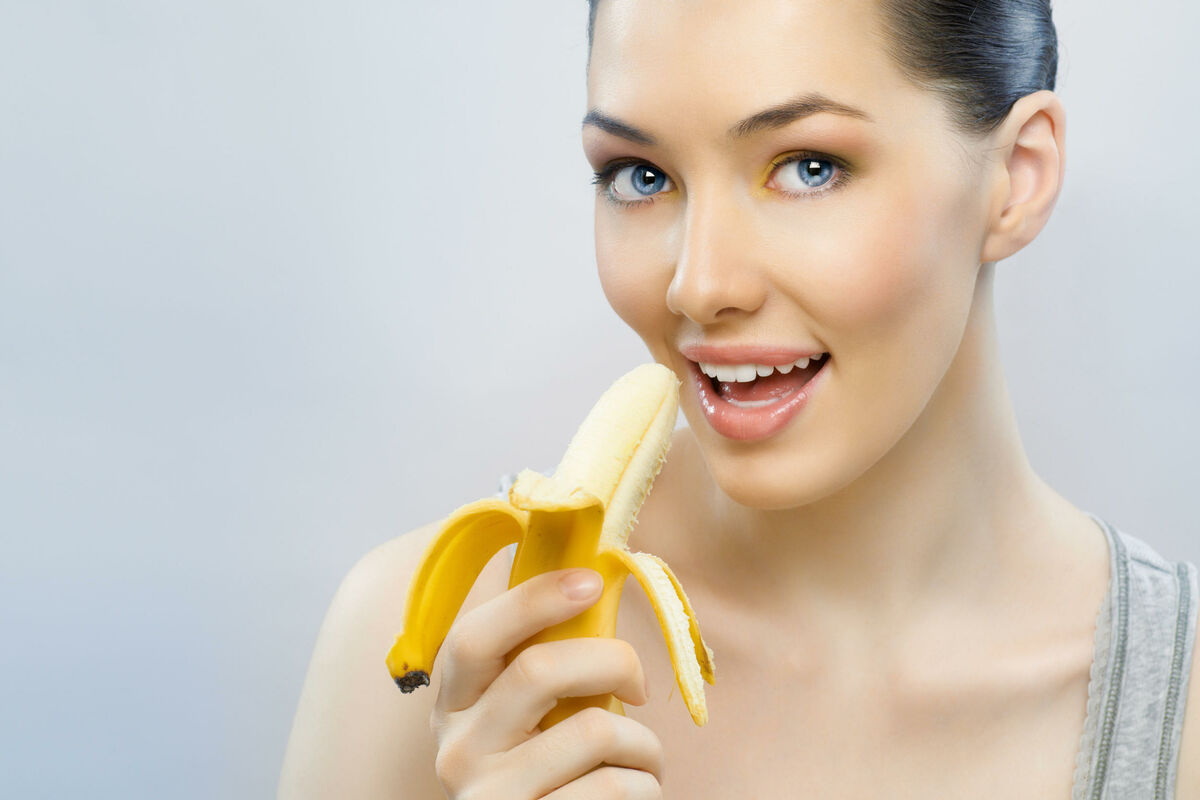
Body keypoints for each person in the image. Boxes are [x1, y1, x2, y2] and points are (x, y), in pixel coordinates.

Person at [279, 0, 1200, 796]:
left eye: (807, 166)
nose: (698, 283)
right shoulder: (427, 651)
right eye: (641, 176)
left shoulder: (1179, 710)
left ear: (1017, 177)